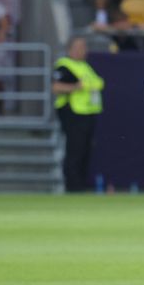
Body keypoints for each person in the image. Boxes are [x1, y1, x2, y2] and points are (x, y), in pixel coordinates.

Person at [52, 36, 105, 192]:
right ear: (70, 49)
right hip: (73, 112)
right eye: (79, 47)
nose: (83, 50)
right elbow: (56, 87)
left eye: (84, 47)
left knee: (85, 149)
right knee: (74, 149)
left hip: (88, 113)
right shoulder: (64, 66)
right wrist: (76, 87)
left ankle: (81, 183)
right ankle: (72, 185)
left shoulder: (85, 66)